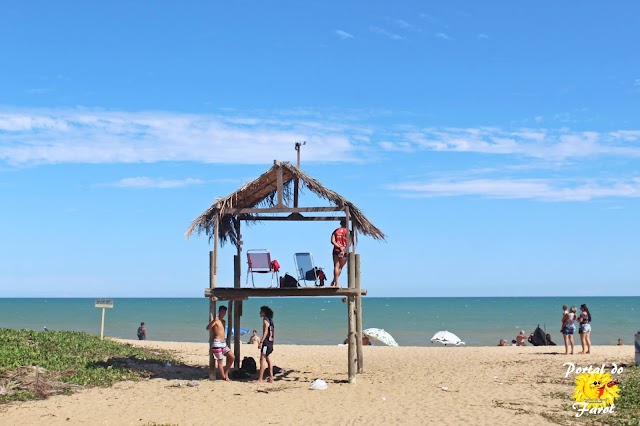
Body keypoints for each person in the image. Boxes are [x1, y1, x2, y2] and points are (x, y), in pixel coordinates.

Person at [206, 306, 235, 381]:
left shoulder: (223, 321)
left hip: (223, 343)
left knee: (232, 357)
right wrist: (213, 321)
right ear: (219, 311)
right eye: (222, 312)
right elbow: (208, 328)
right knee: (220, 361)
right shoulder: (216, 321)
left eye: (225, 312)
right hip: (217, 342)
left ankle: (226, 373)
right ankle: (224, 378)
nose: (223, 313)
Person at [257, 306, 275, 383]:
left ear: (264, 312)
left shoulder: (265, 320)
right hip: (271, 342)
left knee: (262, 360)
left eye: (261, 311)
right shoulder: (271, 320)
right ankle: (271, 377)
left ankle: (260, 379)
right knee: (268, 359)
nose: (259, 313)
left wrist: (261, 341)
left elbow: (266, 332)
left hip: (266, 343)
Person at [330, 219, 349, 287]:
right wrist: (343, 250)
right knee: (340, 267)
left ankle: (335, 282)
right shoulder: (349, 232)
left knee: (336, 266)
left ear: (340, 223)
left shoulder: (336, 231)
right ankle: (335, 281)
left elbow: (332, 241)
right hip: (345, 251)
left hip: (336, 250)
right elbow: (350, 243)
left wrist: (339, 247)